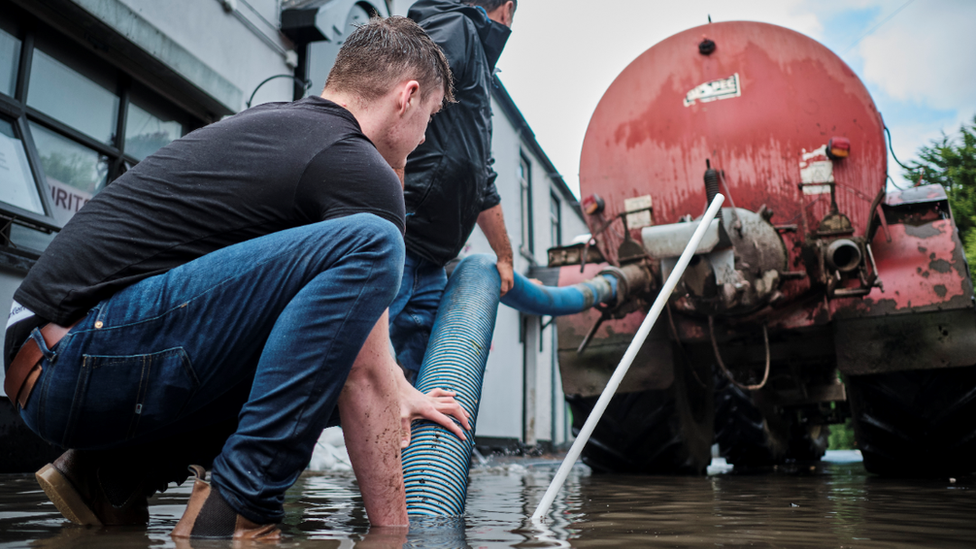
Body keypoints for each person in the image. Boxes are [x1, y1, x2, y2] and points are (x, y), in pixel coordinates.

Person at [3, 16, 470, 539]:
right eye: (430, 117)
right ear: (407, 97)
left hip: (46, 359)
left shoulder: (281, 128)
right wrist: (395, 535)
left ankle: (110, 476)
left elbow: (346, 335)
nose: (425, 138)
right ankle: (241, 506)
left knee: (309, 340)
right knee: (375, 243)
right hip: (76, 360)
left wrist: (398, 385)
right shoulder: (356, 163)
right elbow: (362, 369)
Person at [391, 0, 518, 382]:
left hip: (431, 257)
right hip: (403, 241)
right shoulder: (456, 28)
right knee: (355, 357)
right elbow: (399, 98)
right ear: (508, 8)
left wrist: (505, 255)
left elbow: (480, 174)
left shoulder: (476, 54)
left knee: (419, 375)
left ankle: (408, 445)